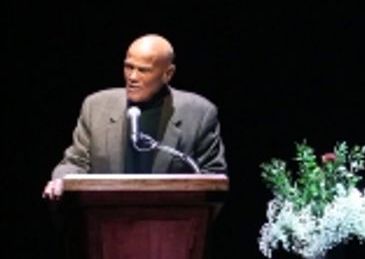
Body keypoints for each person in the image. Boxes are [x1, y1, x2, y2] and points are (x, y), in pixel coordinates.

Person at [42, 34, 227, 199]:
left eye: (143, 70)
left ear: (168, 74)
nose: (132, 77)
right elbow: (75, 162)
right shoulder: (96, 107)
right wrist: (62, 180)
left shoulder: (199, 114)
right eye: (128, 67)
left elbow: (214, 180)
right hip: (107, 224)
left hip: (170, 227)